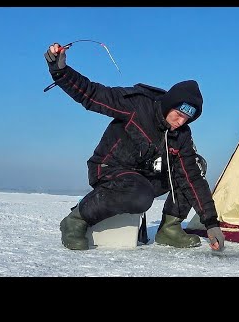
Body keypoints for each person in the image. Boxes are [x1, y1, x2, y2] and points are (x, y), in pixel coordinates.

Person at [44, 42, 225, 251]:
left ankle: (169, 228)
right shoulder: (137, 106)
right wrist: (59, 71)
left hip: (144, 179)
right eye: (179, 114)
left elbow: (192, 178)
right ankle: (76, 219)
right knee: (139, 191)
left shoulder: (181, 135)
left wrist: (211, 223)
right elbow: (91, 94)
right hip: (109, 169)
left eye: (187, 119)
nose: (181, 122)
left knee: (195, 166)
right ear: (169, 104)